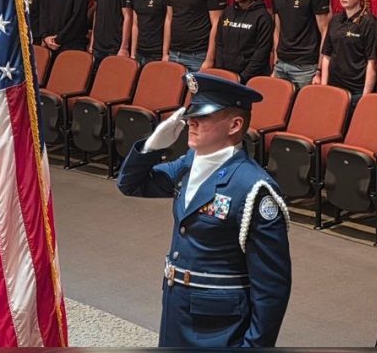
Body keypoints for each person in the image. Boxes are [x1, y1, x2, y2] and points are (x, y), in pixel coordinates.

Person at [117, 72, 291, 347]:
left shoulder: (254, 188)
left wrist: (255, 347)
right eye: (191, 114)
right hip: (177, 309)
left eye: (204, 116)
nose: (191, 122)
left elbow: (271, 287)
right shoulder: (187, 165)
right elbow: (130, 184)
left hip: (220, 327)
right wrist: (153, 146)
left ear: (235, 125)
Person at [320, 0, 377, 107]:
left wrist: (365, 96)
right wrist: (323, 86)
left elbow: (372, 62)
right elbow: (327, 55)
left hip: (356, 90)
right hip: (334, 86)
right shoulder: (335, 19)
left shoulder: (369, 22)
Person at [215, 0, 274, 82]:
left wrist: (243, 77)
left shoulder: (262, 16)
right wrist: (221, 71)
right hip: (226, 75)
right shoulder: (227, 13)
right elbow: (220, 43)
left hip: (251, 78)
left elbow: (261, 52)